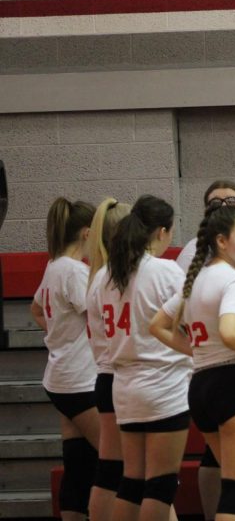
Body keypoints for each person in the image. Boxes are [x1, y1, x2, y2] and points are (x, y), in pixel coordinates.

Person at [152, 204, 235, 521]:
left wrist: (197, 350)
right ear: (221, 241)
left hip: (202, 385)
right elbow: (231, 332)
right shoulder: (234, 280)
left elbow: (157, 325)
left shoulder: (196, 279)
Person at [101, 195, 189, 521]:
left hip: (124, 385)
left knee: (132, 482)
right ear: (163, 231)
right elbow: (189, 321)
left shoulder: (106, 274)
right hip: (163, 384)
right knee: (160, 485)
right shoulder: (165, 271)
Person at [173, 179, 235, 520]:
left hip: (216, 374)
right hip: (227, 368)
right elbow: (172, 316)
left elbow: (158, 323)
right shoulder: (196, 253)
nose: (225, 204)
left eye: (232, 199)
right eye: (216, 202)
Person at [31, 198, 99, 521]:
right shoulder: (74, 271)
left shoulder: (54, 265)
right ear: (87, 232)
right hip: (80, 380)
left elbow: (35, 309)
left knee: (78, 464)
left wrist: (59, 331)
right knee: (117, 460)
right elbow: (99, 317)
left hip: (62, 378)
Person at [84, 197, 132, 521]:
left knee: (110, 470)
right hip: (122, 377)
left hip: (106, 377)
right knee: (146, 475)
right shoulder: (120, 276)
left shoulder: (97, 277)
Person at [176, 180, 235, 272]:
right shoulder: (193, 250)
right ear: (206, 211)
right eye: (215, 202)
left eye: (232, 201)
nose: (224, 206)